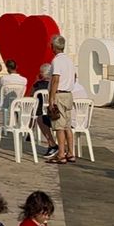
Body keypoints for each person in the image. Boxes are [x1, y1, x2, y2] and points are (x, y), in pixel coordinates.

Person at [45, 35, 83, 164]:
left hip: (60, 94)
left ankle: (61, 154)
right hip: (68, 94)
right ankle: (71, 153)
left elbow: (56, 79)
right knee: (67, 126)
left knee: (59, 126)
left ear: (54, 47)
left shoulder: (57, 61)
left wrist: (51, 99)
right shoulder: (69, 60)